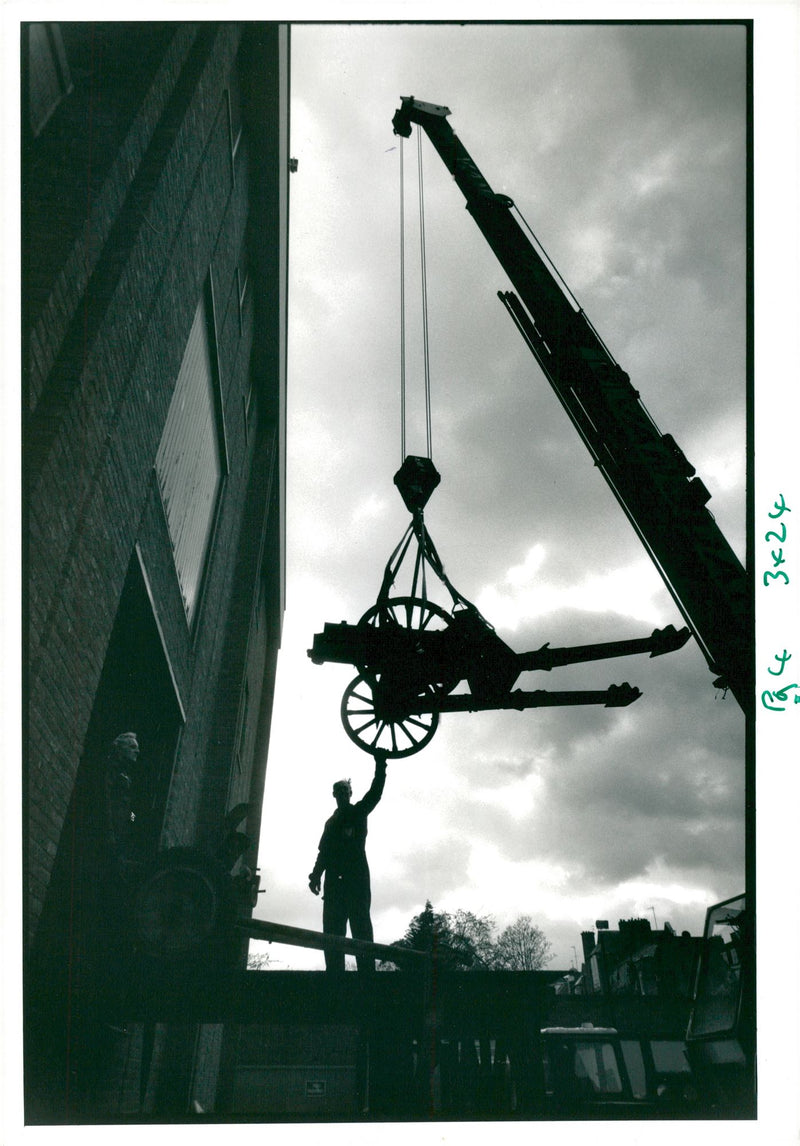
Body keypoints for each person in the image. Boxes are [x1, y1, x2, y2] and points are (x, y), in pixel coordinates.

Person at [308, 751, 388, 972]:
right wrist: (315, 875)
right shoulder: (330, 823)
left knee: (361, 926)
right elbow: (323, 853)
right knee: (332, 931)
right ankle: (334, 976)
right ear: (334, 794)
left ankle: (367, 976)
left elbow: (375, 794)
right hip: (334, 882)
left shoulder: (358, 812)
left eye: (346, 790)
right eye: (339, 791)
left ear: (350, 793)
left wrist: (380, 765)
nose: (342, 794)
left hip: (356, 880)